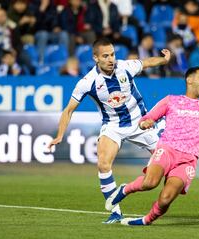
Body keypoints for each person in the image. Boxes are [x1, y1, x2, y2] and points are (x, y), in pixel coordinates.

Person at [105, 64, 199, 225]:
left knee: (166, 198)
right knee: (150, 183)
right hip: (167, 150)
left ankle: (147, 220)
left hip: (188, 159)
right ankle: (125, 189)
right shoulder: (171, 100)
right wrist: (146, 123)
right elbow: (148, 118)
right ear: (189, 79)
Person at [47, 37, 171, 224]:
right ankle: (115, 211)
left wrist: (164, 60)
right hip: (113, 126)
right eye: (105, 56)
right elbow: (68, 110)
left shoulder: (125, 66)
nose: (111, 59)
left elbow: (146, 63)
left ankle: (162, 199)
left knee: (167, 162)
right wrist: (59, 135)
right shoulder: (87, 82)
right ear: (96, 58)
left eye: (112, 54)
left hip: (141, 122)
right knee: (103, 164)